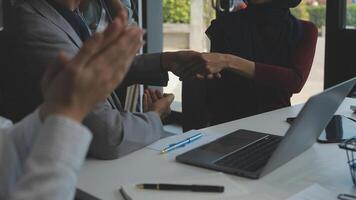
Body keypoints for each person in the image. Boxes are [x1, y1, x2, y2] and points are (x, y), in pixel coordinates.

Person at [3, 0, 216, 160]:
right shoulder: (37, 30)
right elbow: (108, 135)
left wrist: (165, 61)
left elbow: (93, 70)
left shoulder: (65, 14)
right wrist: (154, 116)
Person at [0, 12, 144, 199]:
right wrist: (68, 112)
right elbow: (107, 134)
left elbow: (6, 146)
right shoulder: (34, 26)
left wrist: (52, 110)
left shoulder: (71, 18)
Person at [183, 0, 318, 128]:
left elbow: (294, 81)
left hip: (277, 122)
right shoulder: (224, 25)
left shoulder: (305, 30)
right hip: (229, 125)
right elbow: (218, 88)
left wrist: (228, 61)